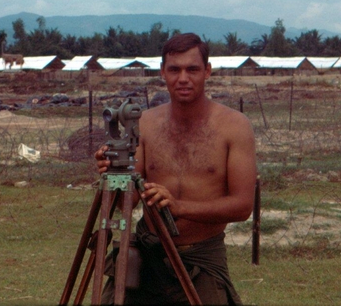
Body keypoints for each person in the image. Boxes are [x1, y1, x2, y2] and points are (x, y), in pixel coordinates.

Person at [95, 32, 257, 305]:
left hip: (200, 259)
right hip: (147, 254)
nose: (183, 78)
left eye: (192, 69)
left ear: (207, 71)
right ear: (162, 72)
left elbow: (242, 206)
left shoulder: (234, 127)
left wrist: (179, 207)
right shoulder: (145, 123)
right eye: (174, 69)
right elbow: (130, 200)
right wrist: (115, 174)